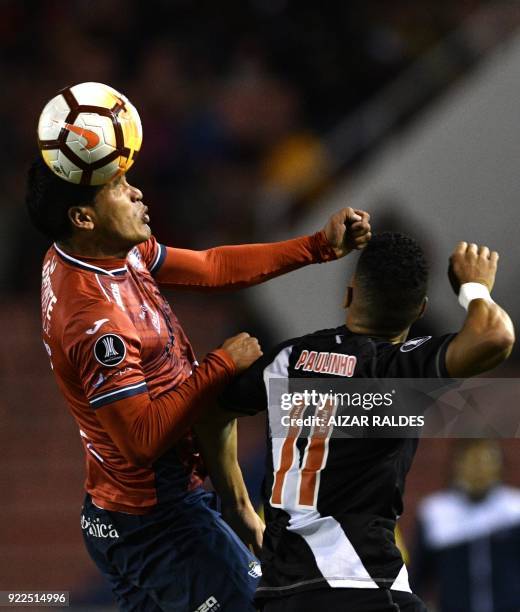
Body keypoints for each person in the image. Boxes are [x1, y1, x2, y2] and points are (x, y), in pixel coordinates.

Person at [26, 156, 371, 612]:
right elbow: (141, 440)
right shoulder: (96, 321)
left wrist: (317, 247)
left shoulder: (95, 252)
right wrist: (220, 365)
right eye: (118, 187)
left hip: (120, 515)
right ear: (83, 216)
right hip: (158, 524)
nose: (137, 193)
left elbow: (211, 267)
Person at [219, 232, 515, 612]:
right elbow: (495, 336)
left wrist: (238, 503)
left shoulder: (287, 359)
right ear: (420, 311)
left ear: (348, 295)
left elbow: (213, 410)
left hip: (280, 592)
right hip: (361, 582)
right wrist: (475, 289)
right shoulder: (401, 370)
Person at [411, 439, 520, 612]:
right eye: (471, 461)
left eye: (486, 461)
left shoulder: (514, 510)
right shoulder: (436, 513)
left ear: (499, 465)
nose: (479, 470)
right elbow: (419, 576)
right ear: (456, 465)